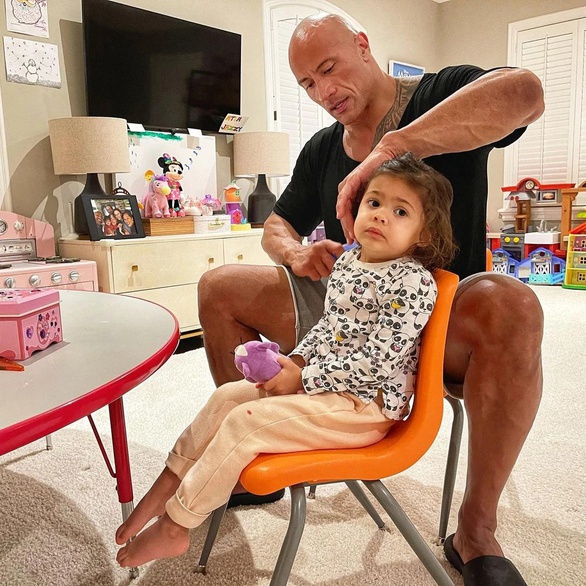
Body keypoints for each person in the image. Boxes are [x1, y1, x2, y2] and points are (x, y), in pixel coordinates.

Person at [197, 13, 545, 586]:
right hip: (344, 322)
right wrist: (295, 253)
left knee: (512, 302)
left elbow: (525, 92)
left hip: (438, 324)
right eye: (308, 84)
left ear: (362, 47)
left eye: (329, 69)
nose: (323, 92)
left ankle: (476, 530)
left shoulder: (439, 92)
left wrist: (396, 145)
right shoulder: (321, 148)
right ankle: (254, 453)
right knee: (219, 287)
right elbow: (276, 226)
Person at [115, 154, 457, 568]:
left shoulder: (414, 282)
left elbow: (376, 363)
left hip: (364, 407)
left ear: (424, 233)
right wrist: (293, 359)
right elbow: (331, 326)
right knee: (228, 398)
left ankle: (176, 526)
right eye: (374, 202)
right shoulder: (350, 262)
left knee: (246, 421)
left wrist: (302, 379)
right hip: (328, 390)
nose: (381, 216)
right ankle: (170, 482)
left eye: (400, 211)